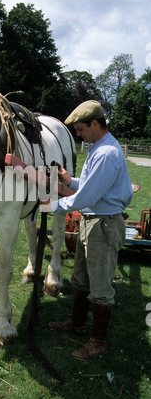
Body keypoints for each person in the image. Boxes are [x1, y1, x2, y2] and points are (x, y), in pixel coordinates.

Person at [45, 100, 133, 360]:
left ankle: (99, 341)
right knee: (82, 278)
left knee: (101, 286)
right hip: (93, 222)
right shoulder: (100, 148)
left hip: (102, 225)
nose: (79, 134)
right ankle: (78, 322)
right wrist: (70, 181)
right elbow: (91, 186)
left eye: (81, 129)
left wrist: (52, 206)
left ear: (95, 124)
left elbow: (86, 197)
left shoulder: (106, 153)